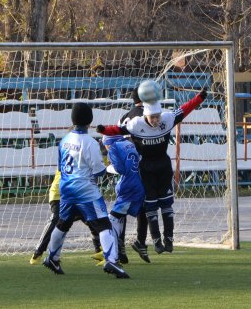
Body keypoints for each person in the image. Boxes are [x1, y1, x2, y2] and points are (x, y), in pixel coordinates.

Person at [97, 86, 207, 253]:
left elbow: (185, 109)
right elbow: (117, 130)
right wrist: (103, 129)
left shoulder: (167, 119)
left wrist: (199, 98)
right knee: (150, 206)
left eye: (157, 117)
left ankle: (168, 240)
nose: (156, 120)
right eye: (152, 117)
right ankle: (154, 242)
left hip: (163, 167)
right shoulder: (136, 123)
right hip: (144, 169)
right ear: (145, 116)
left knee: (167, 204)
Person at [43, 102, 129, 279]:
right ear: (90, 121)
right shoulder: (89, 142)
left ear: (73, 120)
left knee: (63, 223)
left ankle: (52, 257)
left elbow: (60, 165)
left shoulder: (64, 140)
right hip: (85, 190)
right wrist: (111, 166)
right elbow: (98, 171)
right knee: (104, 224)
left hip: (66, 188)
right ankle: (111, 259)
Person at [29, 170, 102, 265]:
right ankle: (38, 252)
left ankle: (100, 253)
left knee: (94, 220)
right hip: (60, 195)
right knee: (56, 219)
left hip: (79, 195)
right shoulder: (71, 157)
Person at [102, 134, 151, 263]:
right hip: (139, 184)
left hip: (129, 188)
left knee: (112, 220)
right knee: (122, 217)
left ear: (108, 143)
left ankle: (113, 253)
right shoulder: (129, 144)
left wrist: (108, 168)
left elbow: (121, 169)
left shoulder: (113, 148)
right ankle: (123, 248)